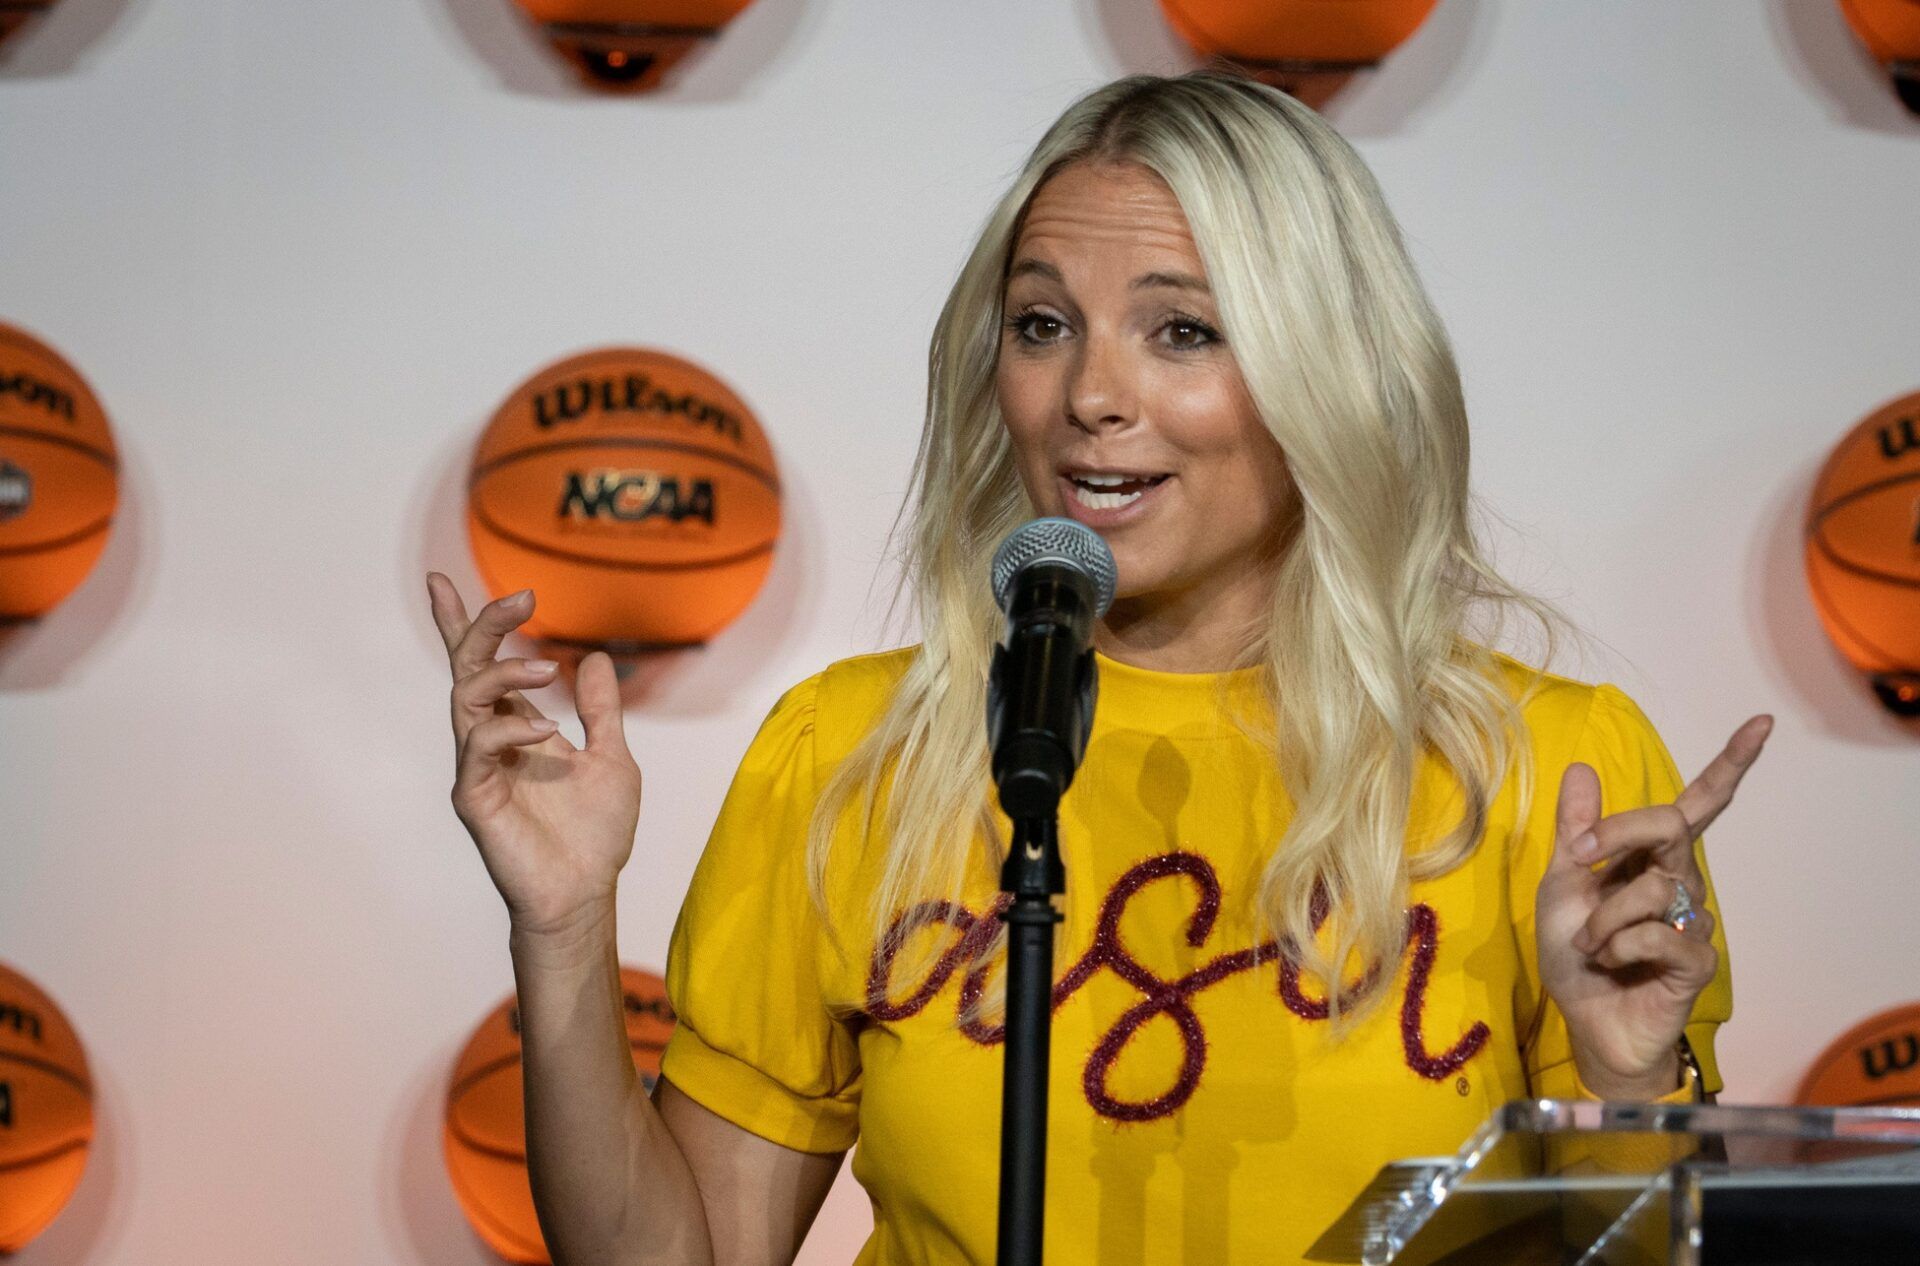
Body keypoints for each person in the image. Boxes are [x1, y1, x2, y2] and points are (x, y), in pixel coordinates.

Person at [428, 70, 1770, 1266]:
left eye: (1182, 330)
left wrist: (1628, 1079)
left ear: (1328, 372)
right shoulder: (849, 752)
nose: (1089, 396)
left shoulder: (1553, 769)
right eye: (1041, 324)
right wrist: (561, 928)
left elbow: (1639, 1247)